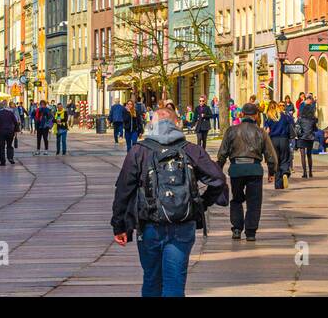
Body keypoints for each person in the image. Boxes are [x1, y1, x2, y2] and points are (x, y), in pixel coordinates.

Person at [111, 108, 227, 297]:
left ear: (151, 124)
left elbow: (124, 190)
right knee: (174, 283)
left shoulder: (139, 151)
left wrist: (120, 226)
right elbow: (218, 180)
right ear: (177, 124)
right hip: (182, 223)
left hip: (149, 224)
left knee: (151, 279)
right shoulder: (191, 150)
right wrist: (201, 204)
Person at [216, 102, 279, 241]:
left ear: (242, 114)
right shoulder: (260, 132)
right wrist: (272, 172)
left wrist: (218, 170)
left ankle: (237, 229)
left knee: (237, 199)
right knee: (254, 202)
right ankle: (250, 232)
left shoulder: (232, 131)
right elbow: (270, 155)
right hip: (254, 170)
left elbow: (222, 153)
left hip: (236, 170)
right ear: (256, 116)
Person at [263, 101, 294, 189]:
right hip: (284, 139)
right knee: (285, 158)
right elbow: (291, 123)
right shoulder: (284, 116)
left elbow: (267, 131)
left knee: (276, 161)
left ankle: (278, 184)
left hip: (273, 140)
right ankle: (285, 172)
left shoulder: (268, 117)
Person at [294, 96, 318, 178]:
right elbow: (315, 129)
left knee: (303, 156)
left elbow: (296, 126)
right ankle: (310, 172)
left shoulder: (300, 119)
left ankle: (305, 172)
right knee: (309, 155)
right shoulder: (313, 119)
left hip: (302, 137)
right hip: (310, 138)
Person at [0, 101, 20, 165]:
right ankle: (10, 157)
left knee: (1, 147)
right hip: (10, 132)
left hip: (1, 132)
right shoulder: (10, 113)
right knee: (9, 145)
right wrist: (16, 130)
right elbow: (15, 122)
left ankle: (3, 162)